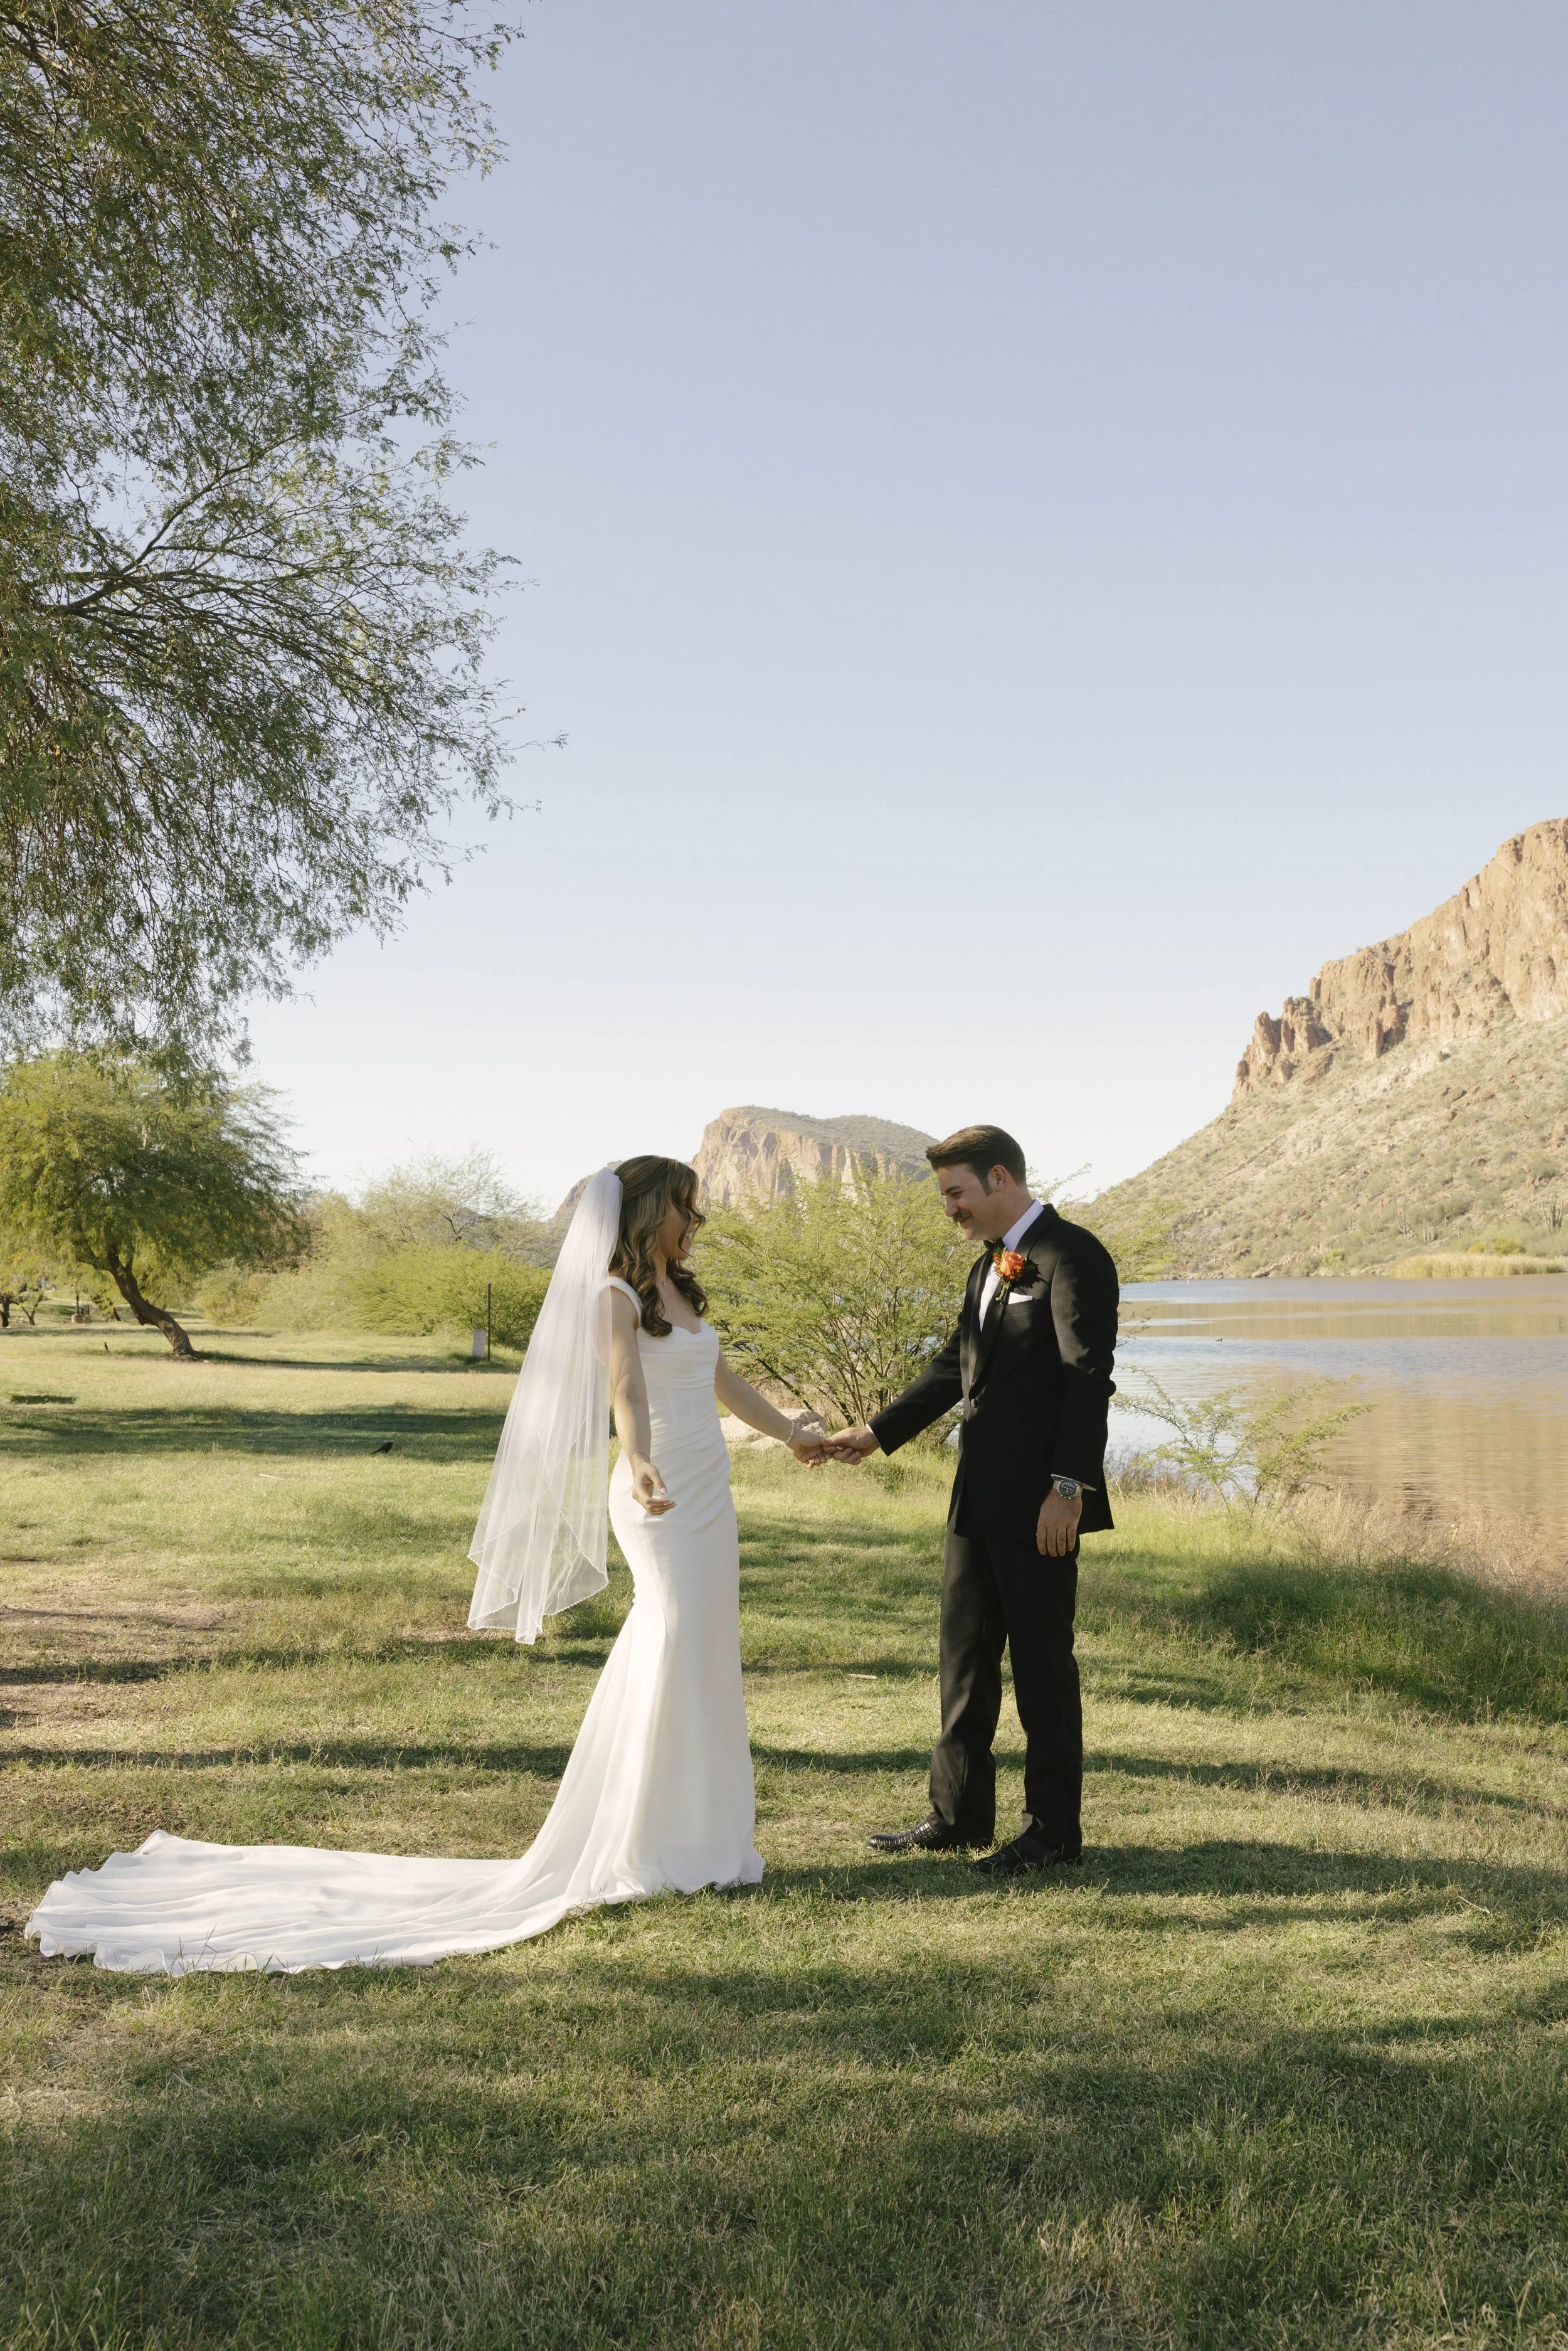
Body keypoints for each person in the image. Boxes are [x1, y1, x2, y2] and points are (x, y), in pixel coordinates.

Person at [26, 1158, 827, 1973]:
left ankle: (703, 1839)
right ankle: (642, 1839)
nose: (696, 1218)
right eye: (686, 1206)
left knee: (703, 1649)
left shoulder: (684, 1294)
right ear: (652, 1210)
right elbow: (625, 1384)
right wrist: (643, 1460)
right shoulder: (615, 1297)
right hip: (656, 1497)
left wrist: (794, 1431)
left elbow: (722, 1379)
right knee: (672, 1637)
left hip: (711, 1497)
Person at [827, 1124, 1118, 1874]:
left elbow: (1087, 1381)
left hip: (1040, 1505)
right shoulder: (985, 1268)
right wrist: (876, 1431)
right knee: (963, 1660)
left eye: (956, 1192)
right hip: (974, 1500)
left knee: (1042, 1666)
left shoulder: (1072, 1255)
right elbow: (950, 1369)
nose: (949, 1208)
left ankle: (1052, 1832)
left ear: (1000, 1179)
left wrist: (1067, 1491)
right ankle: (958, 1816)